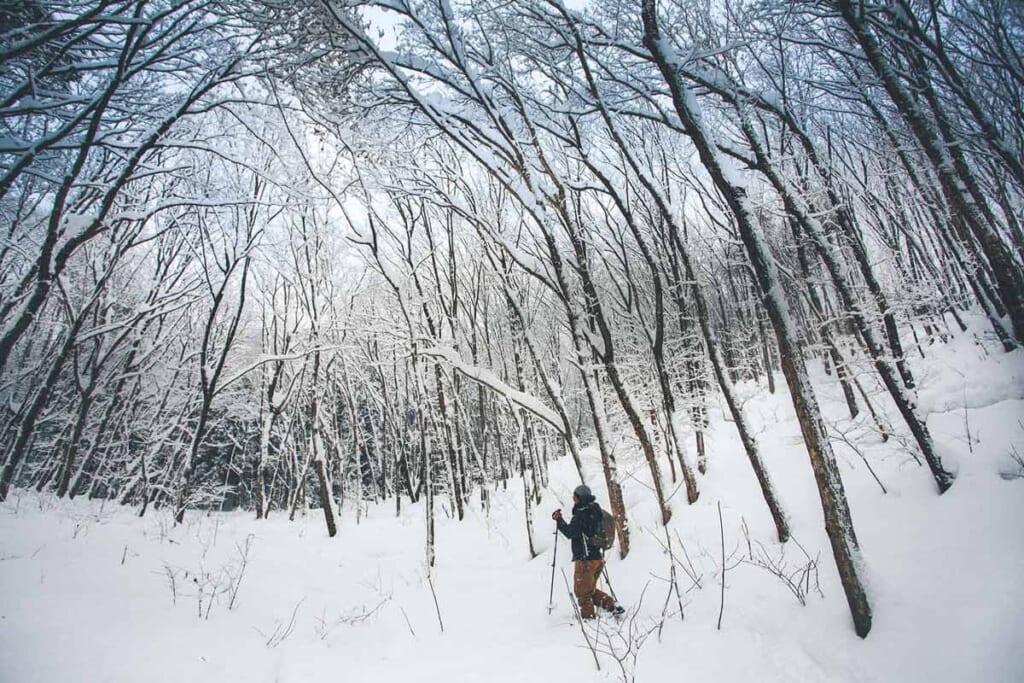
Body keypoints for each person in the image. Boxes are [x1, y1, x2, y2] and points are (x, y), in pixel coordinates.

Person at [552, 484, 624, 620]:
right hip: (597, 558)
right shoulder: (596, 512)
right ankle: (613, 606)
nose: (573, 499)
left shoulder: (581, 514)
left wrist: (559, 520)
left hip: (585, 560)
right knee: (589, 590)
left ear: (580, 498)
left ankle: (589, 620)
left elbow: (570, 533)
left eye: (575, 497)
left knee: (582, 593)